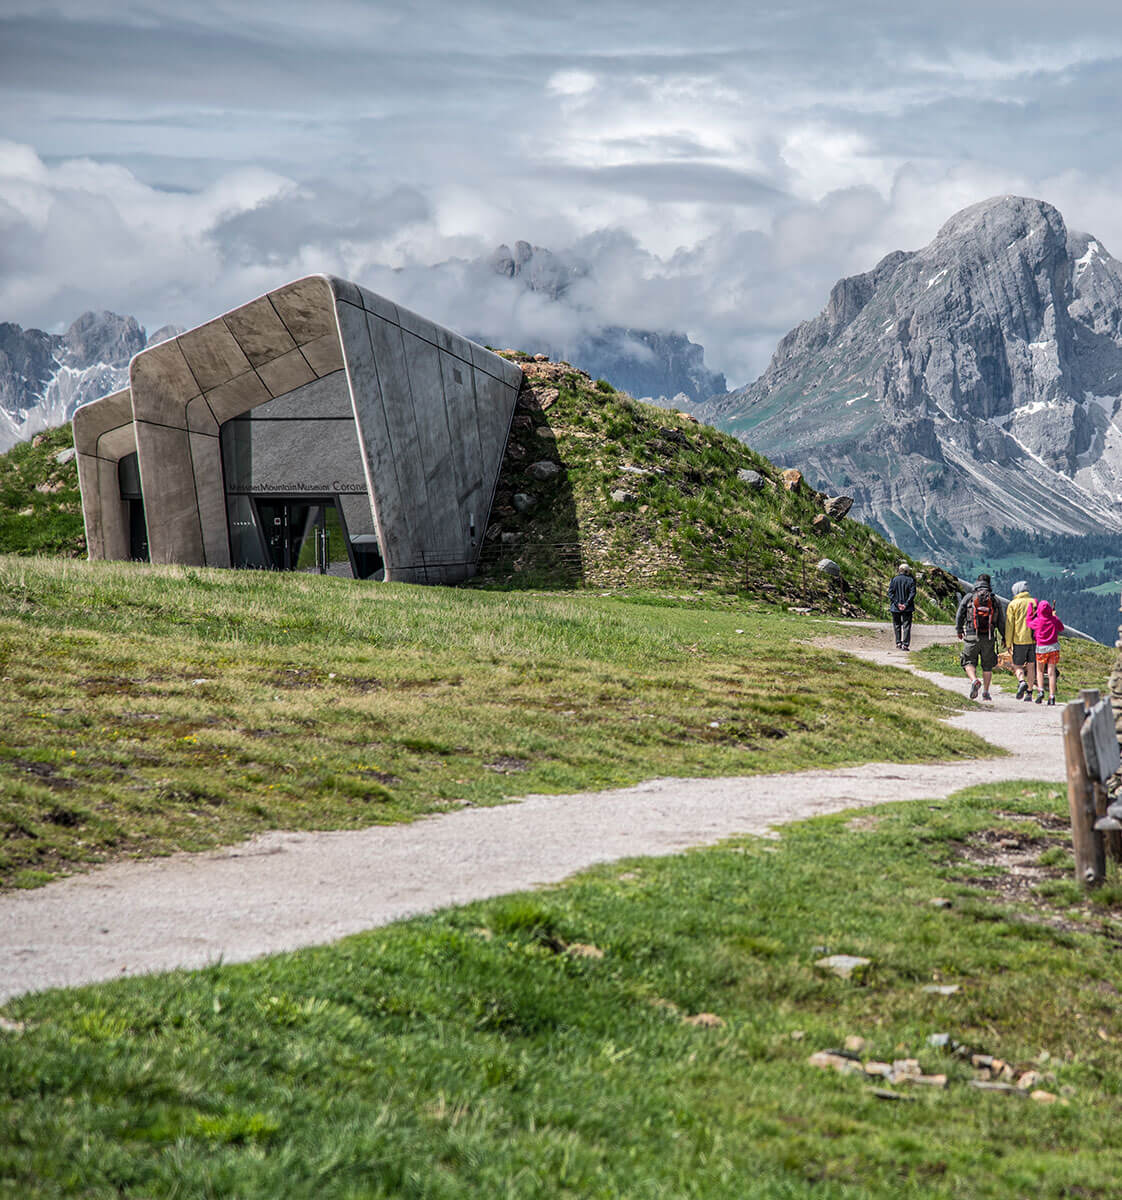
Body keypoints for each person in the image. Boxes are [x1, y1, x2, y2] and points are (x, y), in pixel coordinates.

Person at [954, 573, 1006, 701]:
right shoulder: (994, 600)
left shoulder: (969, 597)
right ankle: (986, 692)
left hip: (971, 633)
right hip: (988, 636)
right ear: (989, 585)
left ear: (977, 582)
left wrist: (959, 629)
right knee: (987, 665)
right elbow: (1001, 621)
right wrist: (1004, 637)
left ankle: (974, 680)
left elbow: (960, 614)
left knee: (968, 661)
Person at [1025, 598, 1064, 706]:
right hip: (1054, 648)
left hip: (1041, 648)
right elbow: (1061, 628)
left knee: (1040, 671)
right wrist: (1055, 616)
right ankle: (1052, 696)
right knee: (1051, 673)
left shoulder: (1038, 621)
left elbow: (1028, 623)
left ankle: (1040, 691)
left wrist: (1030, 609)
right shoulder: (1054, 620)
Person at [1004, 581, 1037, 702]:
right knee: (1031, 666)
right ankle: (1029, 692)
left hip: (1019, 640)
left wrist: (1008, 643)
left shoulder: (1013, 604)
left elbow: (1010, 625)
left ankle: (1021, 681)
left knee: (1017, 666)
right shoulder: (1034, 602)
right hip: (1033, 640)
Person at [888, 562, 916, 650]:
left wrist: (897, 603)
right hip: (907, 608)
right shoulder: (911, 580)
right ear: (907, 571)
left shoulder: (894, 579)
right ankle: (905, 644)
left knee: (897, 625)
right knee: (906, 626)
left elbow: (890, 593)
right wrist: (906, 604)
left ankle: (898, 643)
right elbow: (912, 593)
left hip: (895, 607)